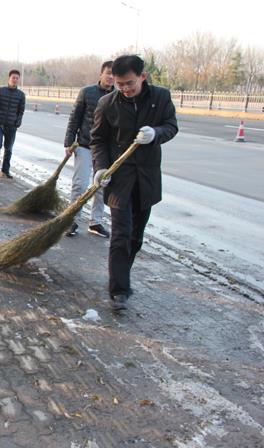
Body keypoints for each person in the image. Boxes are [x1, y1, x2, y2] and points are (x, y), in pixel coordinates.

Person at [90, 55, 178, 312]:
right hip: (120, 178)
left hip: (147, 179)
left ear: (143, 76)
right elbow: (98, 140)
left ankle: (122, 275)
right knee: (121, 234)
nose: (125, 89)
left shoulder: (161, 97)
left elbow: (171, 126)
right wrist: (101, 168)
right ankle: (118, 290)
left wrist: (156, 134)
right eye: (120, 84)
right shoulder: (107, 104)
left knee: (136, 237)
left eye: (129, 83)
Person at [63, 61, 114, 239]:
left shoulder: (118, 96)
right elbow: (74, 117)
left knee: (100, 187)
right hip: (85, 145)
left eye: (114, 74)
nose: (111, 77)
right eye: (108, 73)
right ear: (101, 74)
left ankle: (95, 222)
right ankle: (72, 220)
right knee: (80, 185)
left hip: (106, 150)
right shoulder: (87, 92)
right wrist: (69, 142)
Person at [0, 69, 25, 178]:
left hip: (11, 125)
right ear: (9, 78)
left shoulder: (21, 95)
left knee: (8, 149)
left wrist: (18, 121)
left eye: (17, 78)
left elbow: (21, 110)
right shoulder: (1, 91)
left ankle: (5, 170)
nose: (15, 80)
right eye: (13, 77)